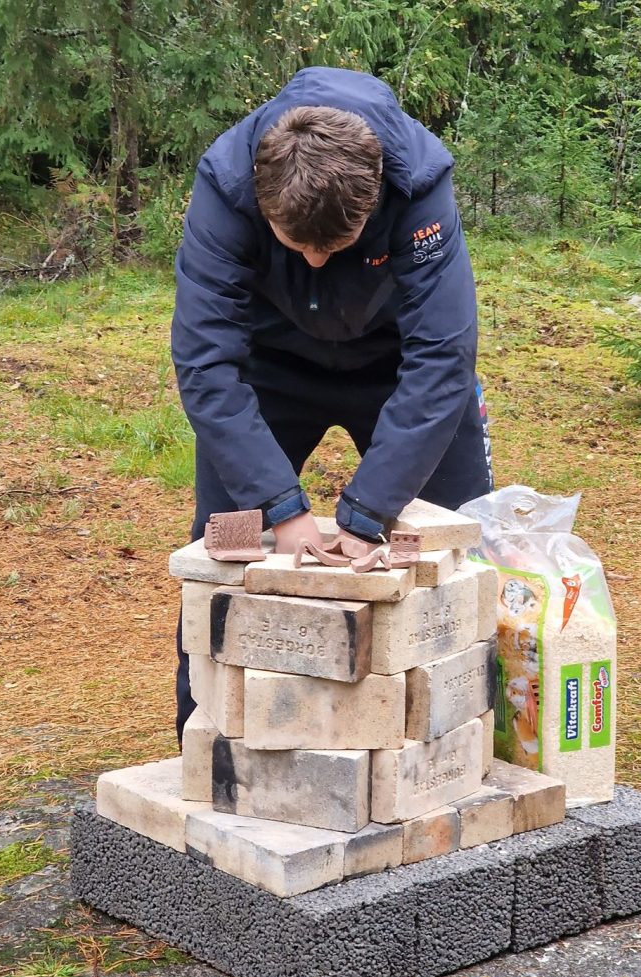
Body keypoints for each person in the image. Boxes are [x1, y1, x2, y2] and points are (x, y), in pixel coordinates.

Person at [171, 66, 494, 743]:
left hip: (398, 365)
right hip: (270, 370)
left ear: (375, 201)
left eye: (336, 246)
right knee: (224, 553)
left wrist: (369, 512)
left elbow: (443, 358)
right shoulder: (228, 185)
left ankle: (457, 748)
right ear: (263, 205)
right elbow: (205, 363)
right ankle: (210, 746)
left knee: (460, 550)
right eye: (299, 245)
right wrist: (280, 508)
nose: (316, 262)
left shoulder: (418, 182)